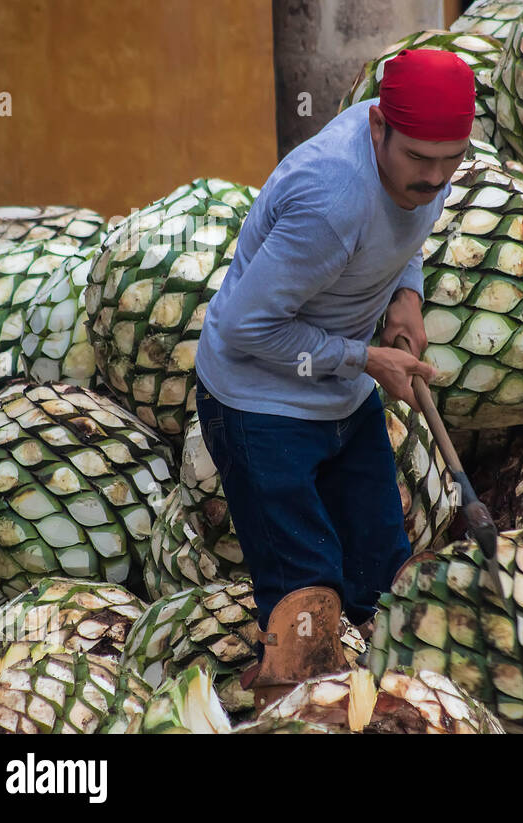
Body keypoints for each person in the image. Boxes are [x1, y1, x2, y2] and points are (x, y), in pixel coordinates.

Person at [192, 50, 474, 706]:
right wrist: (368, 358)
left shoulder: (423, 157)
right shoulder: (330, 199)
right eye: (420, 161)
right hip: (261, 405)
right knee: (305, 600)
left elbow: (406, 236)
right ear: (378, 128)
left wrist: (407, 297)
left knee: (385, 571)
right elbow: (242, 329)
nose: (435, 179)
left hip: (340, 393)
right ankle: (294, 701)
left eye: (450, 160)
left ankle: (391, 708)